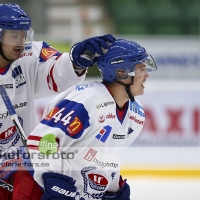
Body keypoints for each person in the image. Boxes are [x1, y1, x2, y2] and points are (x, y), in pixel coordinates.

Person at [0, 2, 116, 200]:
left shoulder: (29, 55)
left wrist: (76, 61)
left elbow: (58, 72)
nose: (20, 41)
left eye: (23, 34)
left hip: (20, 167)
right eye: (14, 35)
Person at [27, 38, 157, 200]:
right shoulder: (88, 100)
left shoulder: (136, 114)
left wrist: (113, 189)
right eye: (141, 69)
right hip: (43, 192)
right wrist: (55, 185)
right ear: (121, 73)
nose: (146, 75)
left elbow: (104, 159)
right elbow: (42, 141)